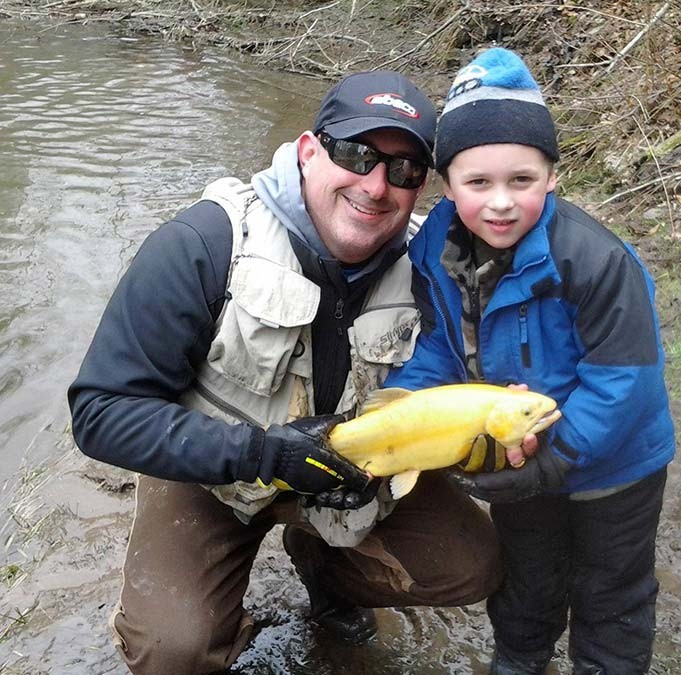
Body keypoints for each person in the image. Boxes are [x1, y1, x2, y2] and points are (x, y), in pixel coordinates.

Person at [68, 70, 503, 675]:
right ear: (307, 151)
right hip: (211, 474)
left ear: (420, 187)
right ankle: (216, 606)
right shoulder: (204, 242)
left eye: (403, 171)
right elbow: (101, 413)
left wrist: (477, 453)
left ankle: (325, 570)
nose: (376, 185)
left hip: (356, 473)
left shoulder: (428, 271)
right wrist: (262, 456)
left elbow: (445, 396)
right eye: (356, 153)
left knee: (471, 564)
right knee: (175, 650)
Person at [384, 48, 676, 675]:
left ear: (552, 177)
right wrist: (411, 405)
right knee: (526, 581)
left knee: (611, 593)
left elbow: (624, 382)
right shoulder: (435, 242)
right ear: (446, 182)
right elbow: (435, 342)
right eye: (477, 183)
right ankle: (518, 660)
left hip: (618, 465)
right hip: (515, 447)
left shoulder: (596, 261)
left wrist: (557, 460)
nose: (500, 203)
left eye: (522, 181)